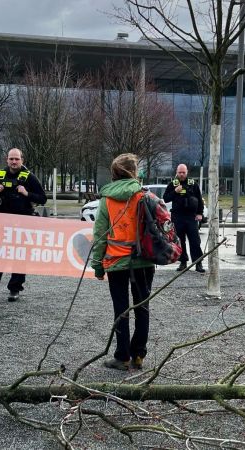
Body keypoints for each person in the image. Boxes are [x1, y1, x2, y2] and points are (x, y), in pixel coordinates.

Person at [90, 153, 155, 371]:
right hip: (143, 260)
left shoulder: (106, 200)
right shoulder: (144, 196)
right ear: (134, 172)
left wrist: (97, 265)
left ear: (114, 173)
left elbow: (100, 235)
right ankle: (139, 355)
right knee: (142, 306)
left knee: (121, 308)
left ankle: (122, 356)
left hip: (116, 261)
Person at [0, 148, 47, 302]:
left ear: (22, 160)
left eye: (17, 159)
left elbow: (43, 198)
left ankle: (15, 290)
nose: (14, 162)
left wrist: (27, 194)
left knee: (19, 258)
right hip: (0, 225)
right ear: (6, 160)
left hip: (22, 225)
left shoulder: (29, 178)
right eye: (11, 159)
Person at [163, 164, 205, 273]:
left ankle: (198, 263)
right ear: (176, 172)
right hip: (178, 217)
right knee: (180, 241)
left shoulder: (193, 184)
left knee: (195, 241)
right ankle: (183, 262)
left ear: (187, 172)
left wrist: (200, 213)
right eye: (180, 172)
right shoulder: (173, 184)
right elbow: (166, 198)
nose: (181, 174)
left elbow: (200, 200)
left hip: (191, 217)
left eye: (183, 172)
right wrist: (175, 192)